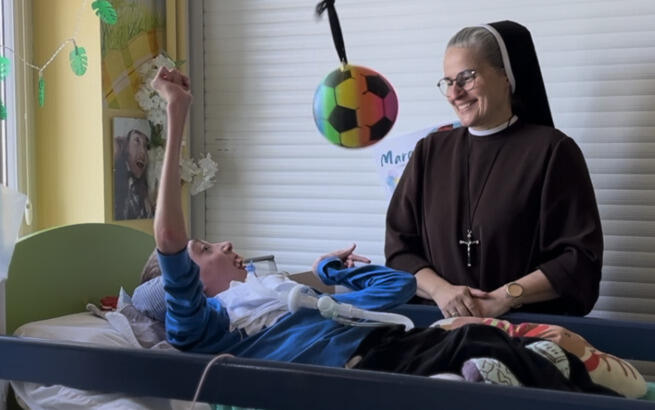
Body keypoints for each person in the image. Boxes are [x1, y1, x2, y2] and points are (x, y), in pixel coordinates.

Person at [145, 66, 616, 396]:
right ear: (185, 284)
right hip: (358, 370)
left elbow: (399, 287)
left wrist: (333, 275)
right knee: (471, 355)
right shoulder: (208, 327)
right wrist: (177, 112)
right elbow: (168, 241)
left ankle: (589, 387)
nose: (224, 243)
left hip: (387, 342)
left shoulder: (280, 295)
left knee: (486, 340)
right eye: (203, 249)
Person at [385, 21, 603, 319]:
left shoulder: (552, 151)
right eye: (448, 81)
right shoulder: (429, 152)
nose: (455, 93)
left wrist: (505, 298)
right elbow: (399, 250)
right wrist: (442, 292)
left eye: (466, 77)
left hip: (523, 328)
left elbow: (579, 260)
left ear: (506, 76)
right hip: (439, 324)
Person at [114, 125, 154, 220]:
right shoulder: (115, 177)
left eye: (146, 146)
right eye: (137, 140)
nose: (143, 152)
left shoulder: (144, 194)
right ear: (126, 145)